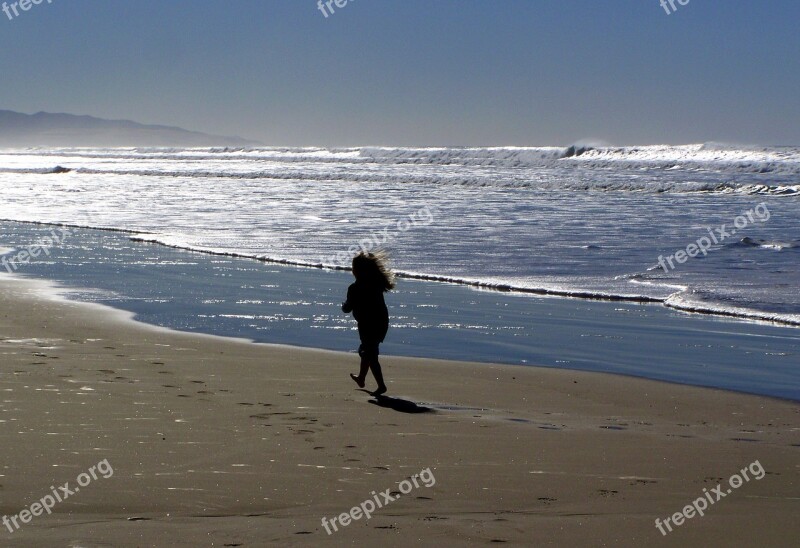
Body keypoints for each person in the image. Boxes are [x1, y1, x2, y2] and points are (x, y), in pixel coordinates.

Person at [341, 251, 395, 395]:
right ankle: (361, 378)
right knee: (369, 350)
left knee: (368, 353)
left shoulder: (354, 288)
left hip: (367, 324)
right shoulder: (376, 284)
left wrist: (343, 306)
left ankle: (381, 385)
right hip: (381, 322)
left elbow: (347, 308)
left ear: (357, 271)